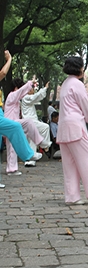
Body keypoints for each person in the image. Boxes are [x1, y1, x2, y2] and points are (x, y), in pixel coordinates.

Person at [58, 56, 88, 205]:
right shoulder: (77, 84)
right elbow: (84, 107)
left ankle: (72, 197)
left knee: (69, 164)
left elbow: (73, 106)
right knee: (87, 159)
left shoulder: (65, 84)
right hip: (76, 127)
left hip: (64, 127)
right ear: (79, 68)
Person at [0, 51, 42, 188]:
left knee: (22, 126)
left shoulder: (15, 98)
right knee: (17, 128)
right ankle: (28, 155)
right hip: (7, 121)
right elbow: (3, 74)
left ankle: (34, 149)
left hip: (3, 117)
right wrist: (10, 59)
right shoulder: (13, 95)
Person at [4, 78, 51, 175]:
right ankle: (36, 147)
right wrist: (30, 83)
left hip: (12, 124)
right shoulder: (12, 95)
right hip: (11, 124)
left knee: (13, 147)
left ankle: (12, 169)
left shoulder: (15, 99)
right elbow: (21, 92)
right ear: (16, 88)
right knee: (29, 123)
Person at [21, 81, 52, 167]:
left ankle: (30, 160)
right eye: (31, 88)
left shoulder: (27, 99)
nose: (33, 90)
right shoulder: (26, 98)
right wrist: (45, 88)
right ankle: (45, 145)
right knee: (45, 127)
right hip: (30, 121)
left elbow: (36, 98)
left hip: (30, 122)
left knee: (32, 139)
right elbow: (36, 97)